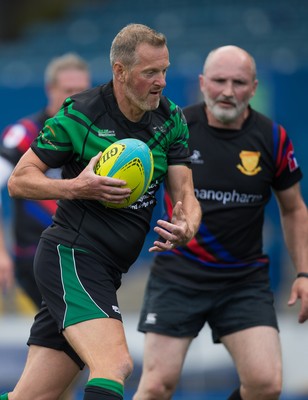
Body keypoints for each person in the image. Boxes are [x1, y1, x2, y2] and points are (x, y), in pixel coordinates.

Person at [1, 23, 201, 400]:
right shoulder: (81, 114)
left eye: (164, 71)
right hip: (73, 257)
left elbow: (185, 192)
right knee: (115, 365)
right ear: (120, 72)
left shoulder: (171, 120)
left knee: (31, 396)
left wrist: (187, 223)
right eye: (150, 73)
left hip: (107, 270)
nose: (161, 82)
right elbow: (19, 180)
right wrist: (77, 187)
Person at [133, 45, 308, 400]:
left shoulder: (273, 138)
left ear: (254, 88)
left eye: (239, 82)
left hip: (243, 280)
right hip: (179, 275)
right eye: (219, 81)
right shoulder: (173, 128)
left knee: (266, 384)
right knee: (155, 386)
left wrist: (304, 273)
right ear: (202, 83)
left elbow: (294, 209)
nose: (228, 91)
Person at [0, 52, 91, 309]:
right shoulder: (24, 133)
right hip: (36, 255)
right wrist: (1, 253)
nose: (74, 98)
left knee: (61, 338)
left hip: (83, 255)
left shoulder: (96, 137)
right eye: (68, 89)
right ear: (50, 89)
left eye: (82, 90)